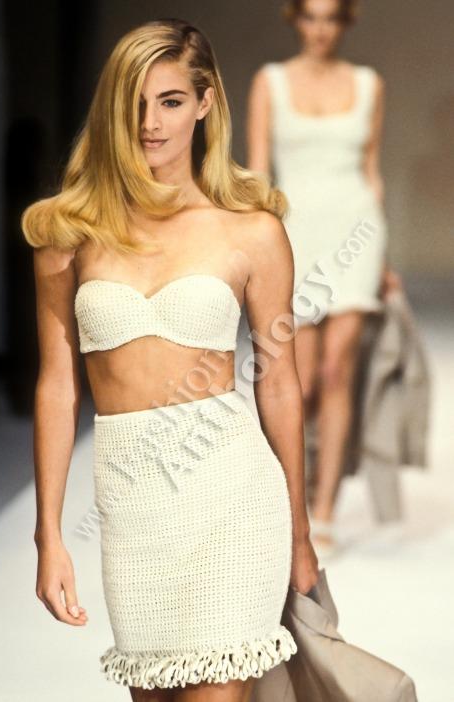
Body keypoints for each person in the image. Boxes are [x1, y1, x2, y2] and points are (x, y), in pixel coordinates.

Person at [22, 18, 318, 702]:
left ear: (206, 102)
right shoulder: (70, 236)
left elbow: (279, 384)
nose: (150, 123)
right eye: (135, 103)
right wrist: (48, 537)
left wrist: (300, 534)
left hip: (232, 497)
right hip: (134, 509)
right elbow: (58, 388)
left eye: (171, 101)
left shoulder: (252, 231)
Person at [246, 0, 402, 558]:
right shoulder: (270, 82)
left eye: (330, 17)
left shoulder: (368, 84)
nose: (319, 29)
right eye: (310, 16)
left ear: (345, 22)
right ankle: (292, 502)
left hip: (355, 230)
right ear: (295, 19)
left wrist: (382, 259)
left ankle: (327, 508)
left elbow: (372, 173)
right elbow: (259, 172)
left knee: (339, 373)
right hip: (294, 234)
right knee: (301, 381)